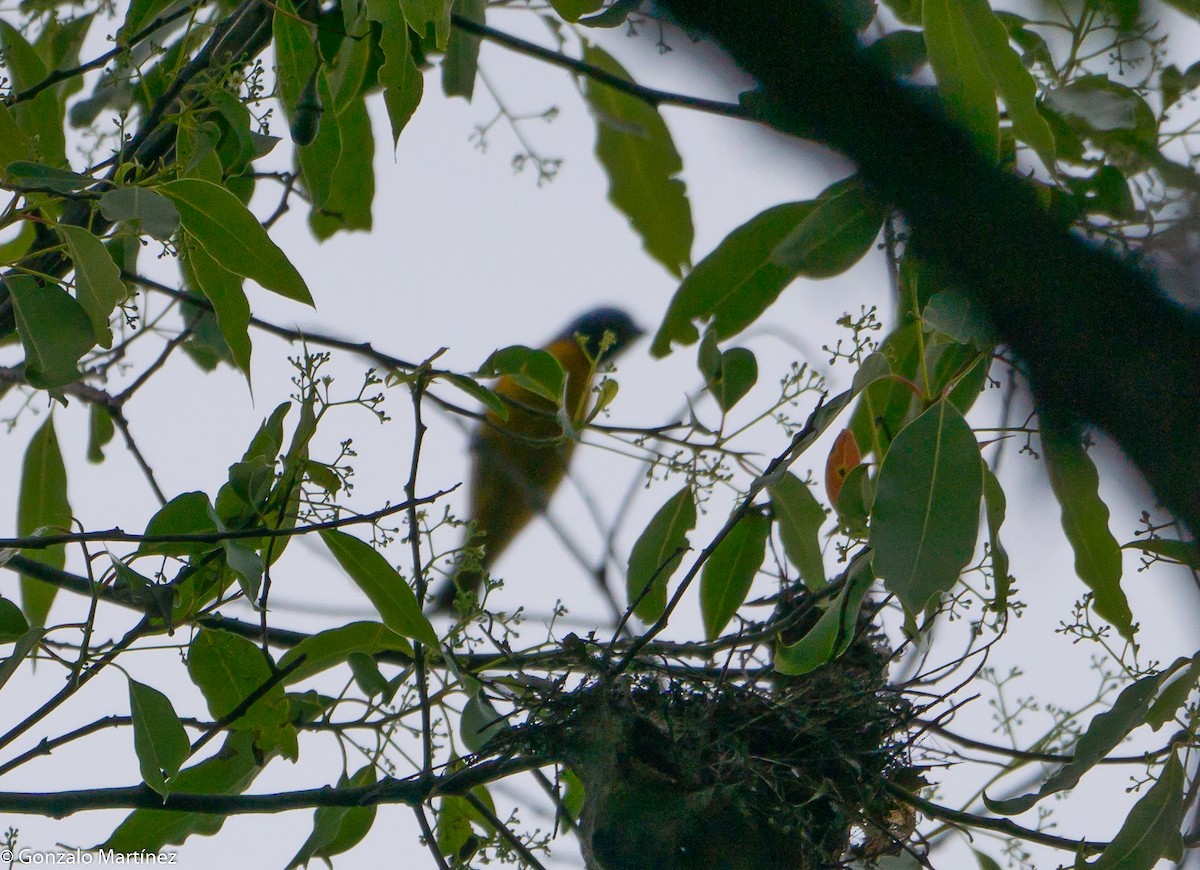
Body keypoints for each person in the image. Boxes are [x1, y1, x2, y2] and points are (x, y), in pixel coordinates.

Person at [430, 307, 642, 613]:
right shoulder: (557, 356)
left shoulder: (584, 379)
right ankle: (462, 585)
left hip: (519, 480)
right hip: (505, 469)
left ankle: (461, 586)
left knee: (484, 542)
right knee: (482, 535)